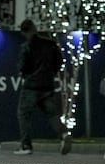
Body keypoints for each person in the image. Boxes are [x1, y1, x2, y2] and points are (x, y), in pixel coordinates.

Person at [15, 20, 70, 155]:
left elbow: (22, 67)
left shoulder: (27, 46)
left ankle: (26, 145)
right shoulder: (50, 44)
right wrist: (51, 73)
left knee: (23, 114)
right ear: (35, 28)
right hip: (47, 84)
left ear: (24, 32)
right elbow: (59, 61)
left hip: (31, 86)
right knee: (52, 113)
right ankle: (63, 134)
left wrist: (26, 75)